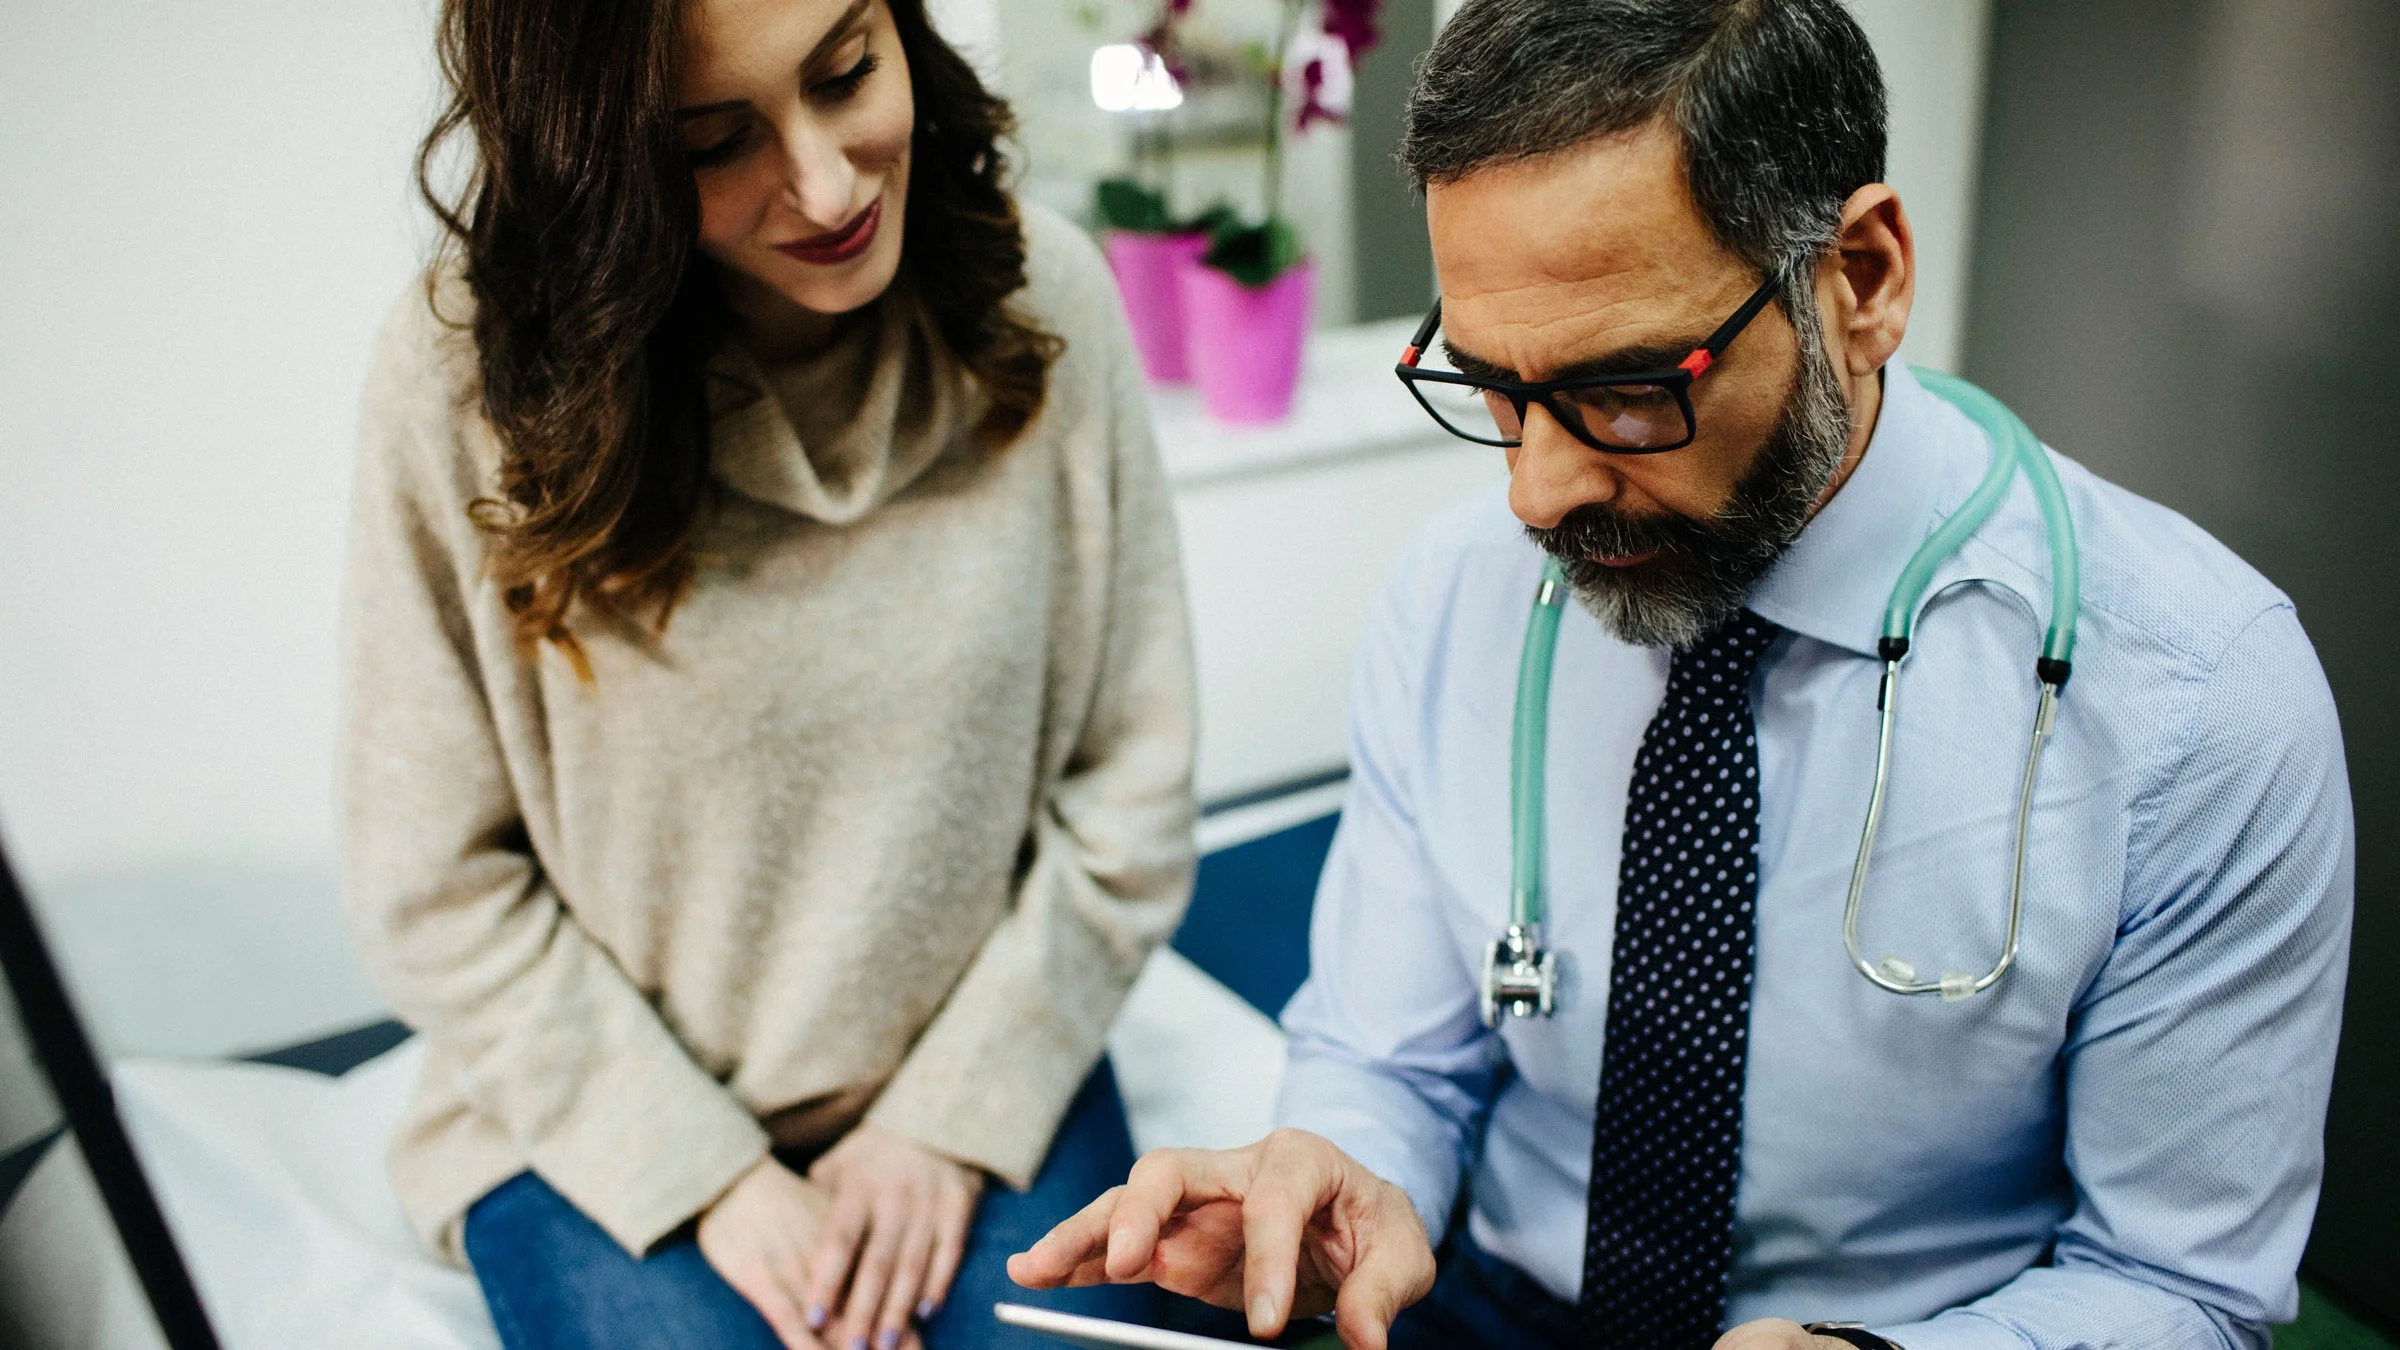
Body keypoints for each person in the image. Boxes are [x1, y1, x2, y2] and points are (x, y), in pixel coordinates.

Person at [1009, 2, 2354, 1348]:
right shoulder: (1455, 591)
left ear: (1866, 277)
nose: (1537, 491)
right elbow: (1388, 1056)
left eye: (1632, 389)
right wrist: (1348, 1174)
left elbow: (2181, 1285)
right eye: (1491, 388)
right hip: (1487, 1308)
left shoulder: (2199, 703)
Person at [340, 1, 1197, 1347]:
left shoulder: (1049, 302)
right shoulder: (469, 381)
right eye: (711, 142)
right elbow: (434, 882)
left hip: (960, 1067)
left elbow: (1132, 787)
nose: (827, 182)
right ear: (599, 166)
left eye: (847, 71)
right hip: (614, 1111)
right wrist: (708, 1174)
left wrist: (946, 1117)